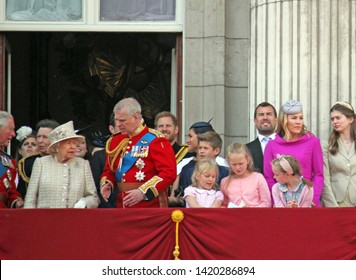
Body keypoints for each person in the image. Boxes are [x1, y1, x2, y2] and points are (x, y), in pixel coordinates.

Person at [100, 97, 176, 208]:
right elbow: (109, 170)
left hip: (149, 205)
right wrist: (107, 184)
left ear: (136, 117)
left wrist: (143, 192)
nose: (118, 124)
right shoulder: (115, 141)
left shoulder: (155, 139)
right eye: (116, 120)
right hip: (122, 205)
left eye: (122, 120)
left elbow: (168, 173)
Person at [24, 121, 99, 208]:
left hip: (74, 219)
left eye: (74, 143)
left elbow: (94, 197)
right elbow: (30, 199)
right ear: (57, 146)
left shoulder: (83, 165)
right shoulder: (41, 163)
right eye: (68, 143)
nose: (73, 147)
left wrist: (84, 202)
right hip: (45, 219)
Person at [263, 100, 324, 207]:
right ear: (284, 120)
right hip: (281, 204)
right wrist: (279, 203)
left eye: (301, 118)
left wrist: (312, 199)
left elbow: (319, 174)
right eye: (294, 118)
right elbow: (269, 178)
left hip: (308, 202)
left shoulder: (313, 142)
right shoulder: (272, 145)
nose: (298, 122)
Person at [172, 131, 229, 203]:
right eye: (200, 148)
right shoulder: (188, 170)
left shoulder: (224, 172)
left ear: (216, 151)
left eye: (205, 148)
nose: (201, 151)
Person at [322, 101, 356, 207]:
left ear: (351, 119)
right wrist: (332, 205)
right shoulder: (326, 145)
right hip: (336, 202)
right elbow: (324, 177)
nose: (334, 121)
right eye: (332, 119)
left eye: (338, 118)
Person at [17, 119, 60, 198]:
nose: (40, 141)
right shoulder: (28, 163)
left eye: (45, 137)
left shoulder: (65, 159)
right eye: (39, 136)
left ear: (55, 138)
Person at [221, 143, 271, 208]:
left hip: (254, 216)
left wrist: (251, 209)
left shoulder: (258, 178)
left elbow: (266, 203)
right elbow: (224, 205)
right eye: (234, 164)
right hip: (233, 216)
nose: (238, 167)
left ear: (247, 160)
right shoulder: (225, 182)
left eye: (240, 163)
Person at [90, 112, 119, 208]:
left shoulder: (140, 153)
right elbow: (95, 189)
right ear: (112, 129)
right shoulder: (99, 156)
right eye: (121, 127)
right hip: (108, 212)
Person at [0, 111, 24, 208]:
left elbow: (11, 193)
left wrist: (17, 203)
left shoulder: (8, 162)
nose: (13, 134)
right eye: (10, 129)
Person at [246, 102, 277, 174]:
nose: (265, 118)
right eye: (261, 115)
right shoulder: (246, 149)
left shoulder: (286, 144)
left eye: (269, 114)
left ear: (276, 120)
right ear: (255, 121)